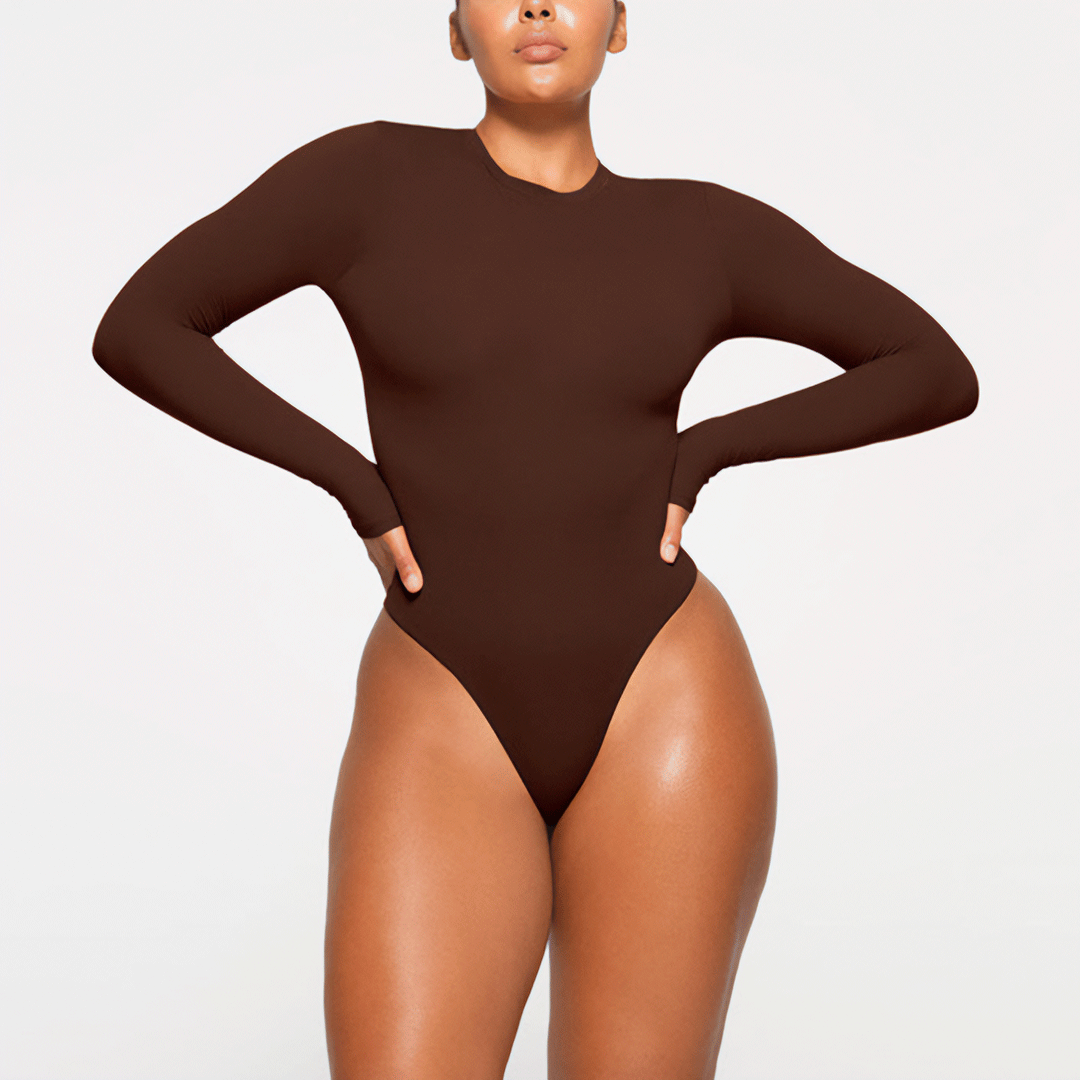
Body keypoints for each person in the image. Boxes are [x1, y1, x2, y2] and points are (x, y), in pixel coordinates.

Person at [90, 1, 979, 1076]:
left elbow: (932, 370)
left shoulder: (700, 230)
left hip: (664, 698)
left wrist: (706, 451)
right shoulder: (364, 182)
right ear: (456, 30)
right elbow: (142, 326)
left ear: (619, 25)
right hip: (440, 693)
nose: (539, 5)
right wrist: (355, 487)